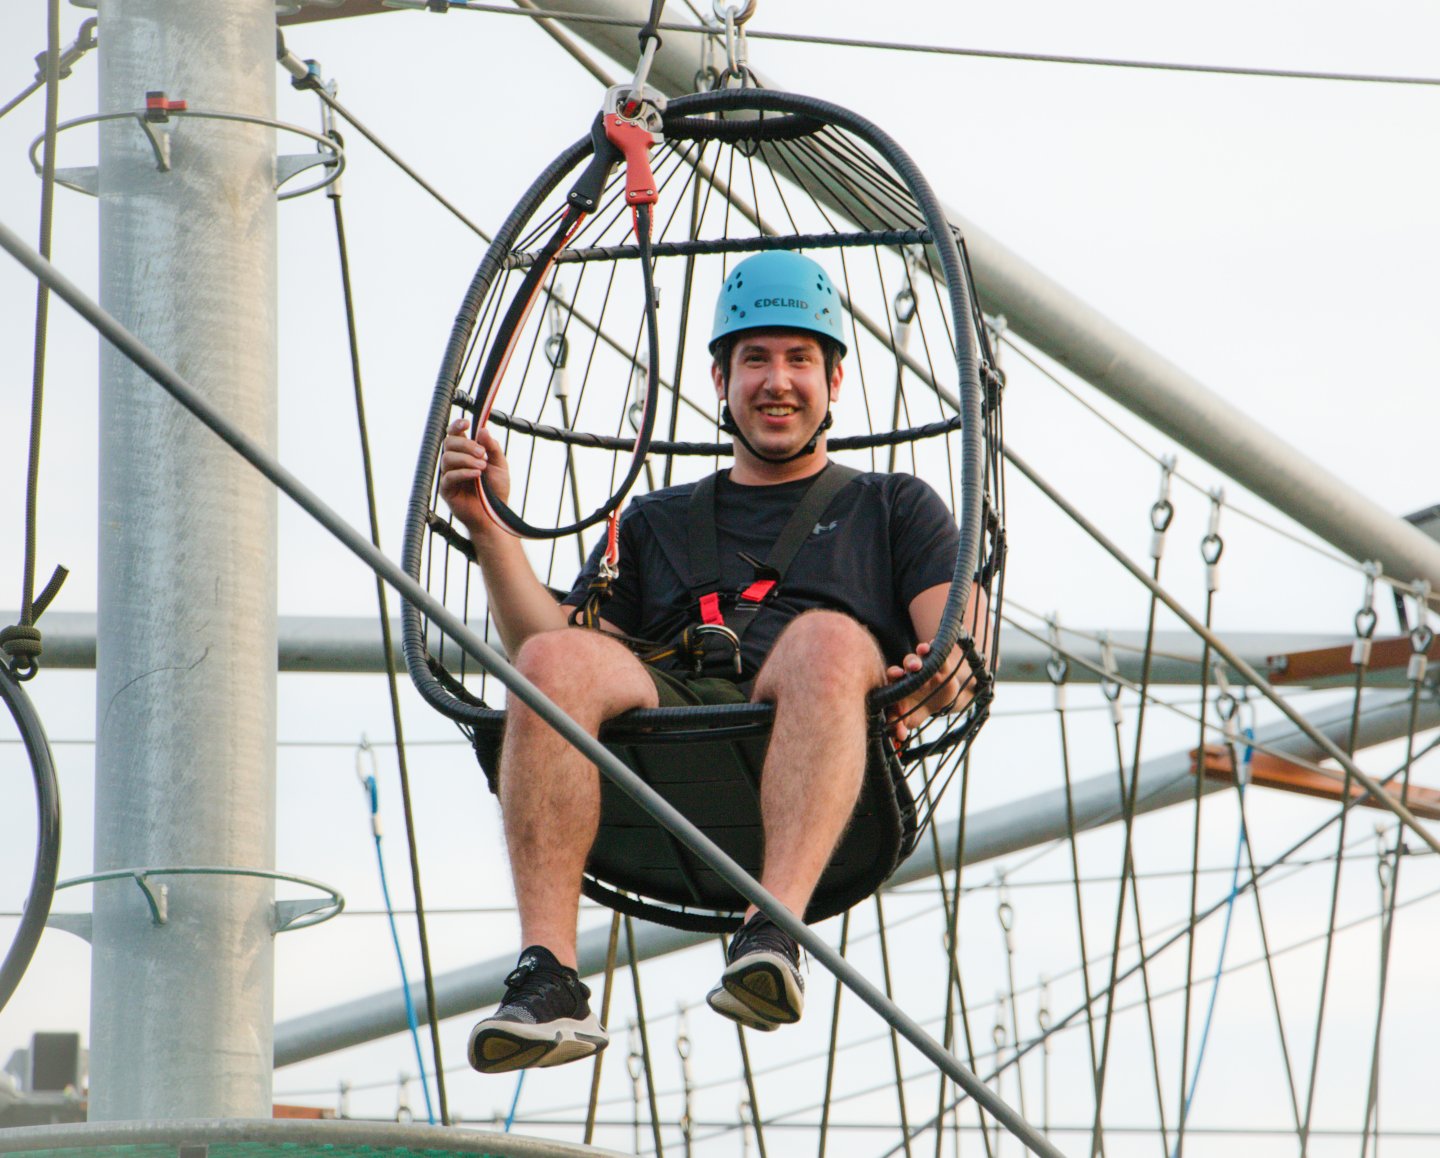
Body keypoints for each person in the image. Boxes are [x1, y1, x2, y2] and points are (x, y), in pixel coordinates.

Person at [439, 251, 984, 1075]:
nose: (777, 381)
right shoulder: (657, 521)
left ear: (835, 382)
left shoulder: (893, 508)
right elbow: (543, 656)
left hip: (815, 722)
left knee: (827, 640)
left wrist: (944, 672)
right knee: (555, 657)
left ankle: (774, 928)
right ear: (720, 380)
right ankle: (547, 974)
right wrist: (489, 530)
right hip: (671, 725)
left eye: (800, 359)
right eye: (754, 359)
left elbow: (957, 637)